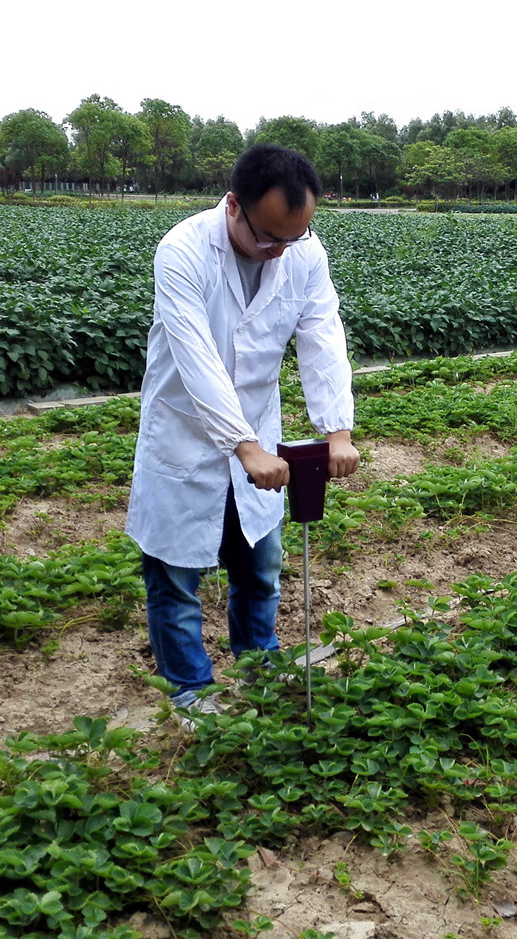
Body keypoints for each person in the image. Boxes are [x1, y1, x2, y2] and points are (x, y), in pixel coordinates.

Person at [125, 143, 359, 721]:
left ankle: (259, 666)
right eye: (268, 239)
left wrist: (337, 429)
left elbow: (322, 334)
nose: (279, 253)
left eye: (293, 239)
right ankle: (191, 691)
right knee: (176, 578)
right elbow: (194, 355)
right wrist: (243, 444)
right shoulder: (182, 251)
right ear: (234, 206)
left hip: (257, 426)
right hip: (185, 429)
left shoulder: (302, 253)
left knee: (259, 565)